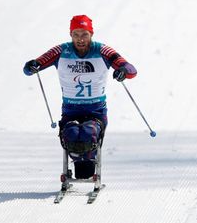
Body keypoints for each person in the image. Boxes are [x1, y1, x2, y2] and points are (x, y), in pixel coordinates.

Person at [23, 14, 137, 178]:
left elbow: (131, 69)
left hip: (96, 112)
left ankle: (88, 167)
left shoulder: (102, 50)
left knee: (87, 135)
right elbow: (30, 68)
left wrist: (123, 71)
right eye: (76, 34)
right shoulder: (61, 51)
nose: (80, 39)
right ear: (70, 35)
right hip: (71, 112)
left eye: (84, 34)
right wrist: (32, 65)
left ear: (91, 34)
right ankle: (78, 167)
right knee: (72, 134)